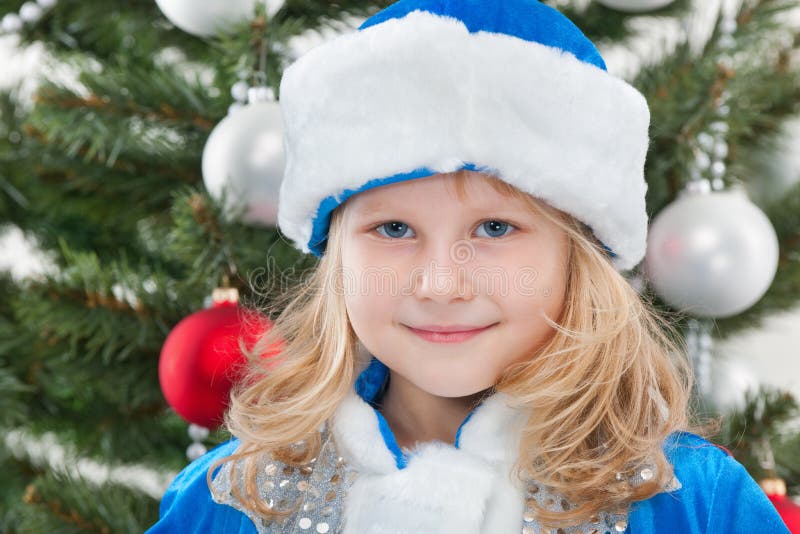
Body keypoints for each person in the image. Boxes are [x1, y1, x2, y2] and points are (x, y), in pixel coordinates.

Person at [147, 0, 791, 532]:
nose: (440, 284)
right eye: (393, 228)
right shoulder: (233, 499)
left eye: (494, 228)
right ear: (338, 255)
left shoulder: (694, 501)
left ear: (578, 253)